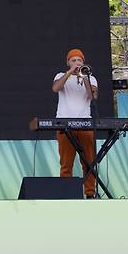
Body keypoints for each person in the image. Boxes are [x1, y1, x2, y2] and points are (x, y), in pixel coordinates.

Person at [52, 49, 98, 198]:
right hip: (65, 124)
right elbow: (55, 88)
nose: (77, 63)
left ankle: (90, 193)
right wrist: (70, 72)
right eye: (73, 61)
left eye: (79, 60)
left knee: (89, 162)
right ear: (68, 62)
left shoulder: (91, 78)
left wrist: (84, 76)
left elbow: (92, 96)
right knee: (66, 163)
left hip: (85, 123)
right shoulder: (60, 75)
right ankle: (66, 194)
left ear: (83, 62)